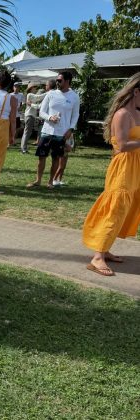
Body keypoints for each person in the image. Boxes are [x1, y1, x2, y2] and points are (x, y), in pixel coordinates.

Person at [82, 72, 140, 276]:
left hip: (135, 167)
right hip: (124, 166)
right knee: (115, 209)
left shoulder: (137, 114)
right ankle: (97, 257)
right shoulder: (123, 114)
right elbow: (123, 146)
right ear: (136, 92)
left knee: (123, 210)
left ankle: (104, 249)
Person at [26, 71, 79, 189]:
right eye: (57, 80)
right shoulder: (50, 94)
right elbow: (42, 112)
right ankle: (38, 180)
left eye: (60, 80)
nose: (57, 82)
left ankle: (50, 182)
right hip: (47, 131)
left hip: (62, 133)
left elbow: (76, 115)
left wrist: (71, 129)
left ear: (67, 81)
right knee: (41, 157)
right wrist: (50, 117)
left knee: (56, 158)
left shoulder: (74, 97)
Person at [20, 82, 46, 153]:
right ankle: (23, 149)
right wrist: (48, 93)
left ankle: (23, 148)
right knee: (27, 132)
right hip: (29, 116)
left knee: (27, 132)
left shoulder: (31, 95)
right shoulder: (30, 95)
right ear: (31, 88)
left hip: (30, 116)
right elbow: (38, 97)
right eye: (34, 87)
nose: (35, 89)